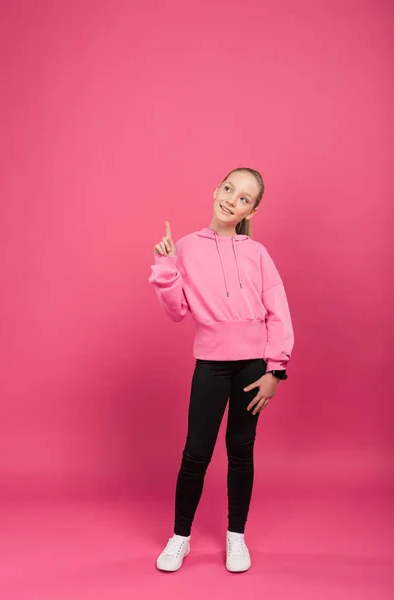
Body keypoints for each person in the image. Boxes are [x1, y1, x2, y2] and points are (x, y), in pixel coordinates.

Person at [149, 167, 294, 573]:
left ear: (252, 209)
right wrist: (165, 265)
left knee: (240, 451)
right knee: (196, 453)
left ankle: (236, 537)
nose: (232, 199)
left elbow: (277, 311)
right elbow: (177, 311)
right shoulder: (187, 247)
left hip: (252, 366)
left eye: (244, 198)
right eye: (229, 189)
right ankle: (180, 538)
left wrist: (275, 371)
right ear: (216, 189)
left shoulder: (257, 252)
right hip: (211, 365)